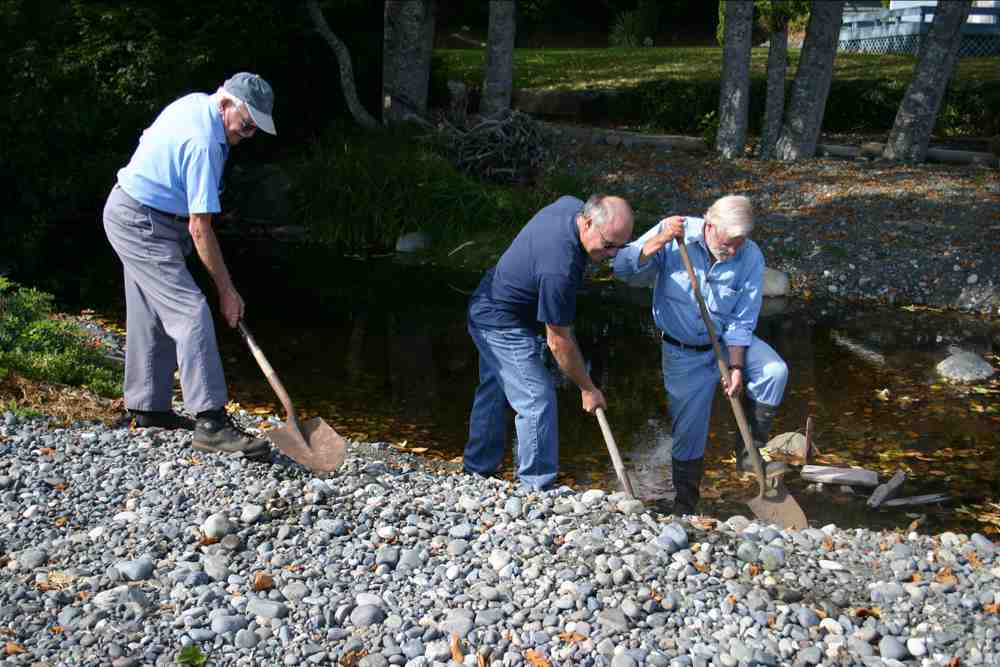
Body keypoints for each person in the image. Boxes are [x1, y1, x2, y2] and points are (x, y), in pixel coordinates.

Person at [102, 72, 277, 459]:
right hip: (141, 220)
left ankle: (149, 407)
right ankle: (211, 422)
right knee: (191, 311)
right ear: (226, 103)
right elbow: (201, 228)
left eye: (254, 131)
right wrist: (227, 291)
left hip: (147, 213)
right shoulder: (203, 142)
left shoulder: (198, 104)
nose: (247, 136)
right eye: (246, 125)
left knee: (150, 310)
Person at [612, 195, 788, 514]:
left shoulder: (750, 256)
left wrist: (735, 367)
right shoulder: (673, 234)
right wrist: (660, 238)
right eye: (729, 242)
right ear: (709, 226)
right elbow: (622, 268)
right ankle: (686, 503)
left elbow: (743, 319)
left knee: (774, 371)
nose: (734, 250)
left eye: (741, 242)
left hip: (726, 341)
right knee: (689, 432)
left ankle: (750, 453)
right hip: (683, 352)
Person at [464, 194, 634, 490]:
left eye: (620, 247)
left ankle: (477, 472)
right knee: (536, 399)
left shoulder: (571, 206)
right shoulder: (560, 268)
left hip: (497, 301)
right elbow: (558, 341)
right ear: (589, 222)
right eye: (608, 246)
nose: (612, 254)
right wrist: (587, 389)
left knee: (494, 390)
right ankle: (536, 487)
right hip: (499, 319)